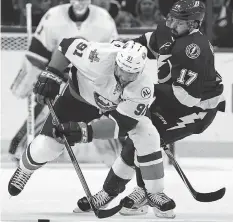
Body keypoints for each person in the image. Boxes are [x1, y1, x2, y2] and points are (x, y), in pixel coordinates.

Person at [74, 0, 225, 217]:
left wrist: (142, 92)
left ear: (193, 25)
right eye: (170, 19)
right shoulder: (170, 29)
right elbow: (149, 41)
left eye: (178, 22)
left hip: (197, 111)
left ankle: (138, 193)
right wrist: (124, 50)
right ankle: (115, 192)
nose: (171, 25)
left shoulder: (195, 49)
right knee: (138, 135)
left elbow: (187, 97)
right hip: (171, 99)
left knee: (147, 140)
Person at [8, 39, 176, 218]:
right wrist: (52, 74)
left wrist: (84, 132)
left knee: (147, 132)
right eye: (122, 70)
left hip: (113, 110)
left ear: (141, 70)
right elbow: (66, 45)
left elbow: (123, 124)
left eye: (132, 73)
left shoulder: (143, 87)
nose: (126, 77)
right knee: (46, 147)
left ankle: (154, 191)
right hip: (76, 101)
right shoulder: (98, 56)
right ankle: (25, 170)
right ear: (116, 61)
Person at [9, 0, 118, 163]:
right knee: (44, 108)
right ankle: (19, 148)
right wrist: (30, 78)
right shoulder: (54, 16)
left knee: (104, 113)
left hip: (90, 80)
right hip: (57, 74)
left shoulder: (104, 19)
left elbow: (113, 55)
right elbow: (37, 51)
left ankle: (117, 156)